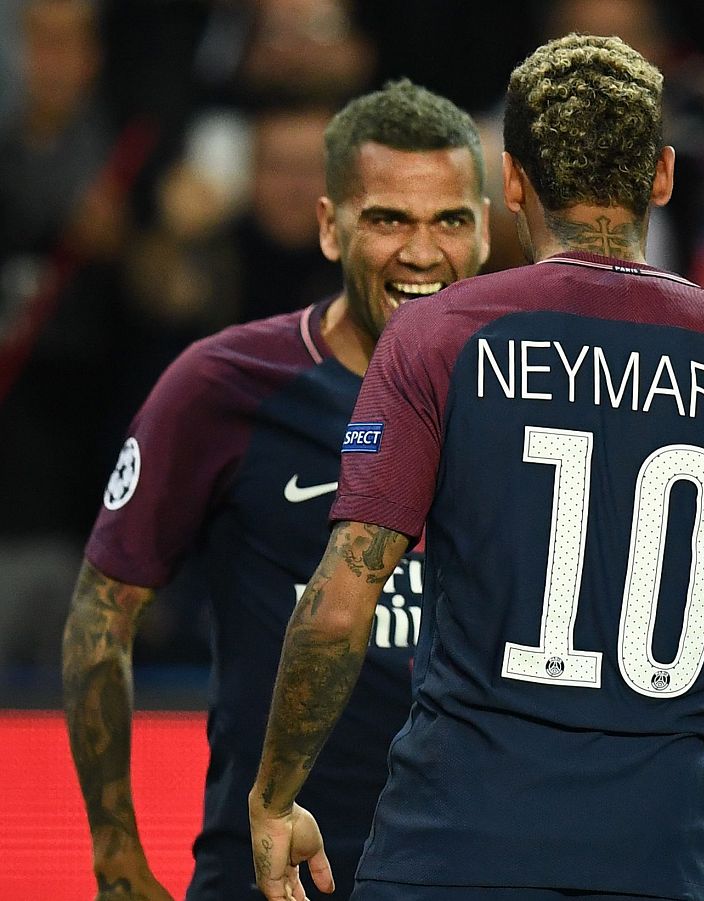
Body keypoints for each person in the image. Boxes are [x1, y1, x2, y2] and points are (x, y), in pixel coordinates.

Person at [247, 34, 704, 901]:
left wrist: (273, 798)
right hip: (653, 862)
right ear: (663, 176)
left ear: (512, 181)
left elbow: (340, 605)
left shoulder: (439, 337)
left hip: (451, 851)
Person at [61, 79, 490, 901]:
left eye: (450, 220)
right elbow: (100, 612)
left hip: (471, 873)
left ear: (484, 229)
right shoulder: (222, 385)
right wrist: (115, 854)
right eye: (388, 219)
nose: (423, 253)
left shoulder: (525, 393)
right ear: (330, 227)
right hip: (269, 872)